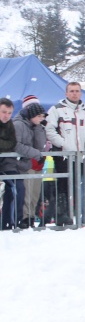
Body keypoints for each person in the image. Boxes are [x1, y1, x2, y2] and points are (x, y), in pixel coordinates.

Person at [46, 81, 85, 226]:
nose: (75, 93)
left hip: (81, 157)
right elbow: (50, 130)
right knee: (63, 186)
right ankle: (62, 217)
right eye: (72, 91)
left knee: (79, 187)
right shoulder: (57, 110)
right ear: (66, 93)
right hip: (64, 155)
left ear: (80, 93)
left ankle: (81, 217)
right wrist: (64, 144)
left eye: (77, 91)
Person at [12, 102, 47, 229]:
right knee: (26, 193)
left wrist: (38, 128)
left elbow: (41, 145)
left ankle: (31, 216)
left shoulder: (37, 125)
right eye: (39, 116)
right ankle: (24, 218)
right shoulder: (18, 125)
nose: (41, 119)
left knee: (34, 194)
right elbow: (17, 145)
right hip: (24, 164)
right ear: (32, 115)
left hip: (36, 164)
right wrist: (35, 153)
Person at [0, 98, 19, 230]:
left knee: (9, 192)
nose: (6, 115)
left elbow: (12, 143)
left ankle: (6, 223)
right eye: (3, 112)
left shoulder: (10, 124)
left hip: (3, 164)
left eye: (9, 112)